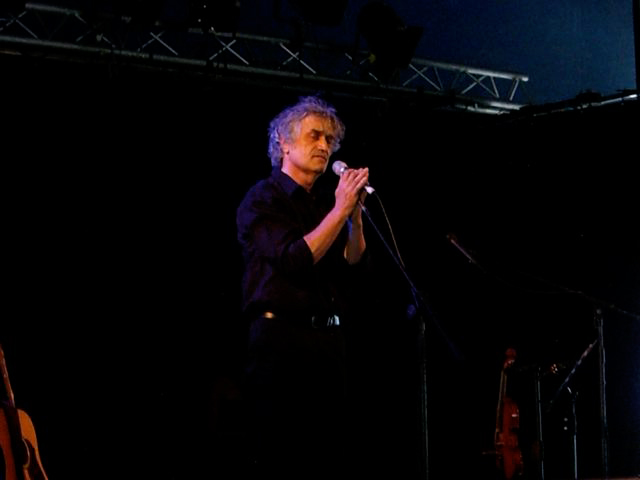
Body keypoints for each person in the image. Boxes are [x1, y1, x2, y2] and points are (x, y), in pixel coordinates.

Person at [236, 95, 371, 479]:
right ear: (284, 142)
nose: (325, 146)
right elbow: (293, 258)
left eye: (330, 139)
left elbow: (352, 263)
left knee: (327, 456)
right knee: (283, 455)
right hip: (281, 344)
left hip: (327, 343)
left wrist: (354, 217)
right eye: (315, 136)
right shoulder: (263, 198)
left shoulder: (325, 205)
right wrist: (340, 210)